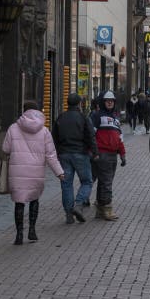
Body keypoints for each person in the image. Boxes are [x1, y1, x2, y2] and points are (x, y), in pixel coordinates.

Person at [2, 101, 65, 245]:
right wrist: (59, 172)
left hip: (17, 171)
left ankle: (19, 235)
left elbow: (5, 148)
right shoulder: (44, 131)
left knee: (19, 202)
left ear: (23, 111)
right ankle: (32, 230)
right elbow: (51, 155)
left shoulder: (13, 128)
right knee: (34, 200)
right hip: (36, 172)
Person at [53, 93, 98, 224]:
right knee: (87, 181)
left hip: (64, 154)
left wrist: (57, 152)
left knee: (66, 184)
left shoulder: (60, 117)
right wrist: (95, 152)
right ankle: (78, 204)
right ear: (79, 104)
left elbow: (54, 137)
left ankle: (68, 214)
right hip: (80, 153)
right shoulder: (83, 118)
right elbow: (91, 135)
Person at [91, 90, 125, 221]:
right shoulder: (97, 116)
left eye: (112, 100)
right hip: (102, 154)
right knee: (107, 183)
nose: (110, 102)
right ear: (103, 102)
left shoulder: (116, 118)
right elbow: (91, 135)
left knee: (103, 182)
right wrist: (93, 152)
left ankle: (100, 209)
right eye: (107, 100)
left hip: (112, 155)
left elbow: (120, 138)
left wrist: (122, 154)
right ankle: (107, 209)